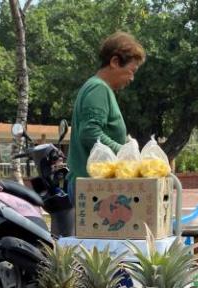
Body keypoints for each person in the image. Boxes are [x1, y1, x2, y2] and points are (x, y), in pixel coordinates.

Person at [64, 31, 146, 235]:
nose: (132, 78)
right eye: (131, 70)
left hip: (95, 187)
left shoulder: (99, 89)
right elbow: (90, 133)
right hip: (92, 187)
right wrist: (126, 154)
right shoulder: (98, 89)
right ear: (115, 62)